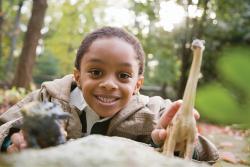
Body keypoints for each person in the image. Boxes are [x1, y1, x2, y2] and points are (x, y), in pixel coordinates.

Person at [0, 26, 218, 163]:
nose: (108, 84)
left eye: (123, 75)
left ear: (137, 84)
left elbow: (208, 152)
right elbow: (5, 126)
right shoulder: (48, 98)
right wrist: (12, 139)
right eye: (96, 72)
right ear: (78, 76)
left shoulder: (155, 111)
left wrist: (174, 140)